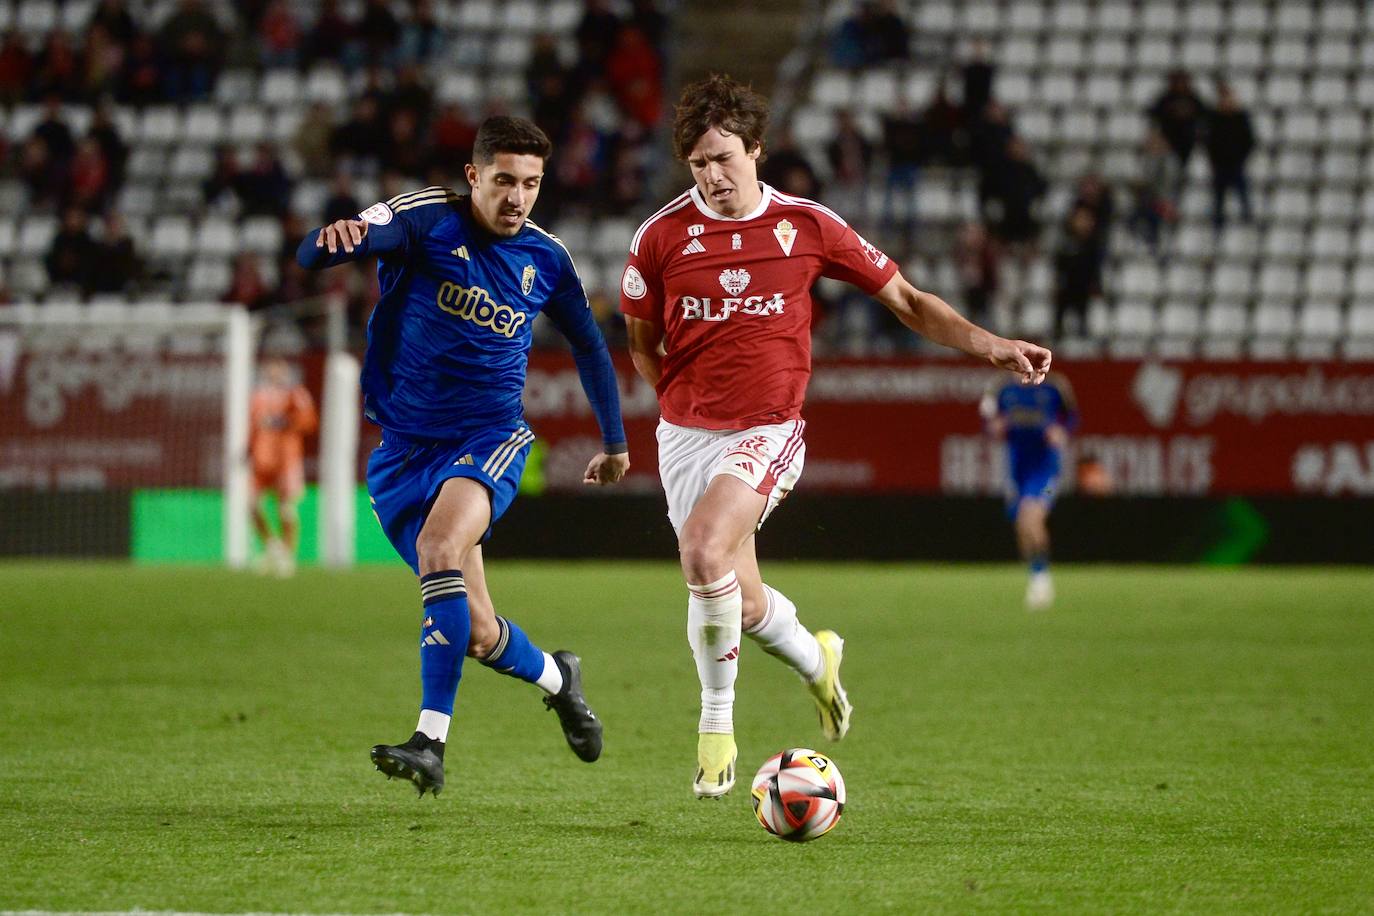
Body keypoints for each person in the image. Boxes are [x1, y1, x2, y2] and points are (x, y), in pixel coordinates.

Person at [619, 75, 1052, 798]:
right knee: (741, 600)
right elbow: (641, 342)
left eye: (725, 157)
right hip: (687, 434)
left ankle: (715, 726)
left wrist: (991, 345)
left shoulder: (808, 226)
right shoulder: (659, 237)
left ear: (756, 150)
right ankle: (817, 660)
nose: (713, 175)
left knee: (701, 552)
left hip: (769, 428)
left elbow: (909, 301)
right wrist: (680, 402)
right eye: (698, 164)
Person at [296, 116, 630, 797]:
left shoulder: (547, 259)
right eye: (505, 180)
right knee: (477, 631)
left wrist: (616, 442)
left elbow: (592, 348)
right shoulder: (427, 218)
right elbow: (322, 251)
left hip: (488, 438)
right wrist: (330, 243)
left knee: (441, 545)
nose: (518, 198)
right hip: (401, 453)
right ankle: (559, 679)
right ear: (474, 176)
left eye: (532, 184)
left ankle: (430, 742)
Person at [980, 372, 1077, 610]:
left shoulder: (1054, 386)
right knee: (1022, 526)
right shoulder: (1002, 389)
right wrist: (995, 427)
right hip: (1017, 468)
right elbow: (988, 419)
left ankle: (1042, 578)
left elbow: (1071, 416)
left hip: (1045, 468)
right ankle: (1035, 575)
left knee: (1031, 516)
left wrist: (1061, 431)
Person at [248, 358, 318, 576]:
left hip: (287, 459)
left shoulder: (295, 394)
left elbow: (309, 421)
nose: (275, 374)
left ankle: (287, 555)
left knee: (286, 508)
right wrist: (248, 449)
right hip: (262, 459)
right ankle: (272, 547)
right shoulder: (258, 396)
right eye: (271, 370)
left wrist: (286, 422)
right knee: (251, 504)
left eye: (279, 370)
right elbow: (252, 426)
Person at [1204, 82, 1256, 233]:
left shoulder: (1240, 117)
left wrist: (1242, 157)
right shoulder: (1214, 117)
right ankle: (1218, 223)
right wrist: (1213, 158)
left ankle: (1247, 219)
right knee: (1219, 195)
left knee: (1242, 192)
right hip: (1219, 163)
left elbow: (1249, 140)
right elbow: (1209, 141)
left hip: (1236, 163)